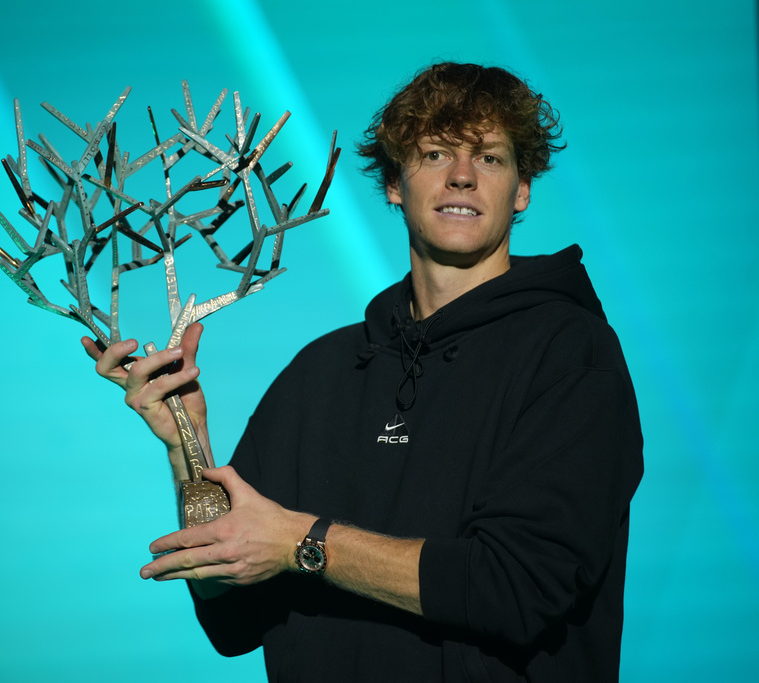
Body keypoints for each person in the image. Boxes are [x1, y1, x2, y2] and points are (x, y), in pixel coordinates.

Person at [82, 62, 644, 681]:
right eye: (434, 153)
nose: (461, 176)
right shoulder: (321, 371)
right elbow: (233, 617)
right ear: (395, 184)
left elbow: (515, 588)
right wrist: (188, 442)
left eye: (488, 158)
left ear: (522, 189)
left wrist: (302, 541)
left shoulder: (570, 355)